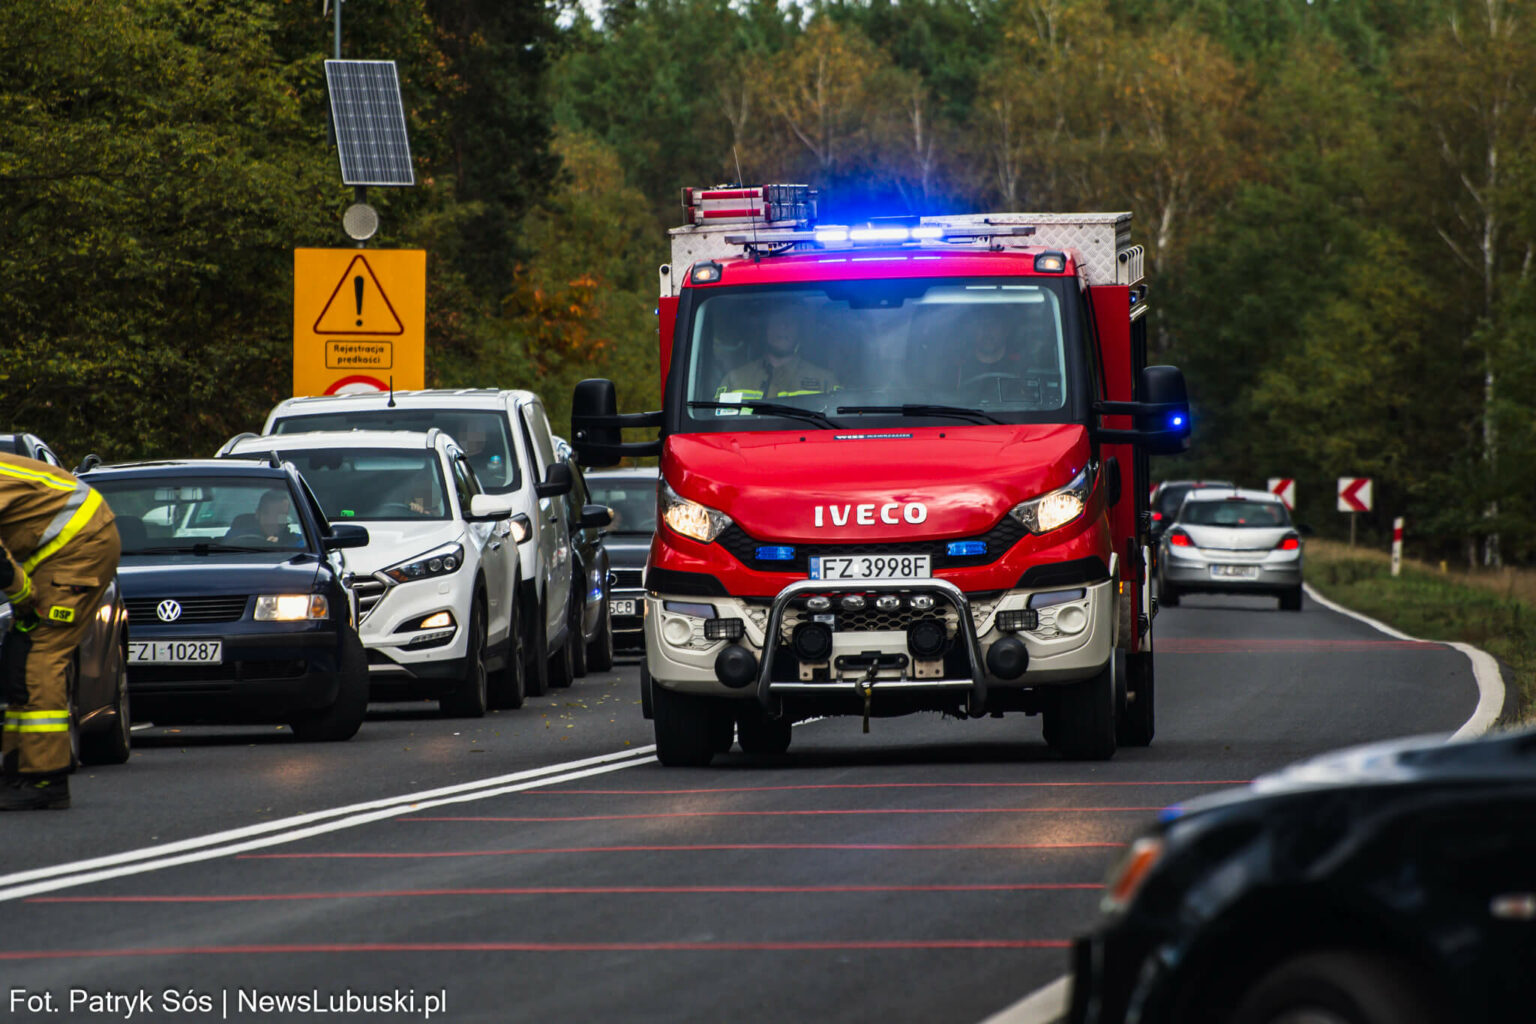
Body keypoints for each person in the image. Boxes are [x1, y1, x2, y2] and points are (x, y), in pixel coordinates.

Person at [0, 452, 120, 810]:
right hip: (64, 547)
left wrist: (23, 597)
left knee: (40, 656)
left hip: (82, 546)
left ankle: (45, 778)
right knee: (21, 654)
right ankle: (20, 768)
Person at [717, 304, 839, 400]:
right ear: (765, 328)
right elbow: (718, 424)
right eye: (776, 321)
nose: (783, 327)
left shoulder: (825, 381)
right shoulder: (734, 380)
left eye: (790, 321)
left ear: (799, 330)